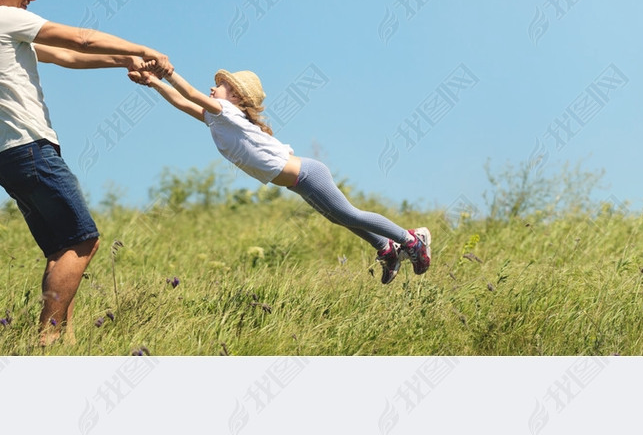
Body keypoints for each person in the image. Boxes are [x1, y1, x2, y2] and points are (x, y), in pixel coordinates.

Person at [0, 0, 172, 345]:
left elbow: (65, 56)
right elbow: (81, 37)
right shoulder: (2, 17)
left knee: (62, 248)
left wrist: (125, 60)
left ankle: (62, 341)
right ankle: (48, 338)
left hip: (7, 155)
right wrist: (147, 50)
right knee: (84, 239)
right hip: (30, 148)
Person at [128, 63, 431, 284]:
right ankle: (387, 249)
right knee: (338, 218)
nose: (212, 88)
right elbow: (183, 102)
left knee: (349, 214)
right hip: (298, 183)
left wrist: (167, 73)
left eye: (219, 86)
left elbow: (190, 93)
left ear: (233, 96)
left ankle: (412, 240)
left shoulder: (227, 112)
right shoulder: (219, 119)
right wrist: (154, 83)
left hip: (309, 175)